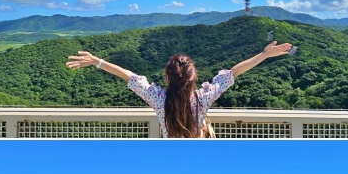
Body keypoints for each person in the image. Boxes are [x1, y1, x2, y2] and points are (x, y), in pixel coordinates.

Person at [67, 41, 293, 137]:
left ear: (167, 77)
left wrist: (97, 61)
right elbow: (234, 73)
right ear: (194, 77)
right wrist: (264, 55)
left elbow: (129, 76)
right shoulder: (203, 98)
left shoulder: (158, 100)